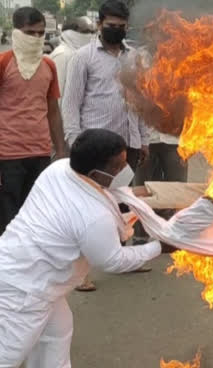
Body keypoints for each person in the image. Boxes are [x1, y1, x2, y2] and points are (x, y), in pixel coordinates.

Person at [0, 129, 162, 368]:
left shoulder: (61, 169)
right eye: (118, 166)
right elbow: (113, 260)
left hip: (19, 267)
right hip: (25, 292)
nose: (125, 169)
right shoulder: (93, 218)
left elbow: (106, 194)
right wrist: (159, 247)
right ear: (96, 172)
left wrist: (142, 197)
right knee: (8, 356)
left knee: (58, 331)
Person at [61, 0, 150, 291]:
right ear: (99, 24)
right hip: (95, 150)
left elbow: (139, 101)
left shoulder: (133, 57)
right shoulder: (82, 58)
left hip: (128, 145)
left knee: (123, 205)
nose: (117, 30)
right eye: (112, 25)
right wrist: (76, 143)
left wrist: (143, 139)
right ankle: (79, 272)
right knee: (87, 209)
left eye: (122, 26)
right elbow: (71, 104)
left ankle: (124, 258)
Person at [0, 7, 68, 235]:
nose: (37, 38)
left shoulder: (48, 66)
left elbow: (53, 112)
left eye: (41, 33)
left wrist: (61, 151)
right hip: (7, 156)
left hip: (39, 154)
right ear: (16, 32)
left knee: (36, 218)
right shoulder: (3, 63)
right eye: (30, 33)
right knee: (8, 219)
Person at [50, 16, 95, 96]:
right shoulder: (62, 55)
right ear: (70, 33)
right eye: (86, 31)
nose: (90, 35)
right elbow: (57, 92)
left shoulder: (85, 54)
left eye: (92, 32)